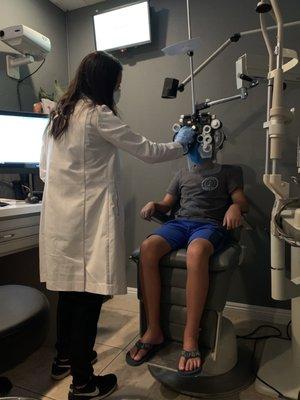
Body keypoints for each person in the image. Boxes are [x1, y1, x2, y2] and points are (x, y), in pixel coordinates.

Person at [39, 51, 195, 400]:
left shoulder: (59, 115)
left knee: (69, 293)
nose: (118, 91)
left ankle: (64, 359)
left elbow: (44, 171)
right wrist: (182, 144)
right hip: (86, 224)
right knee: (88, 299)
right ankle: (83, 383)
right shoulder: (97, 115)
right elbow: (149, 150)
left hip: (61, 222)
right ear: (105, 84)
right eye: (118, 85)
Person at [126, 127, 248, 376]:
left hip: (210, 226)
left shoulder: (230, 172)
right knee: (148, 248)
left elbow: (241, 201)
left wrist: (236, 208)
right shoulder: (181, 174)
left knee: (196, 252)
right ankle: (154, 330)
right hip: (179, 224)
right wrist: (155, 205)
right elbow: (167, 204)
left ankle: (190, 337)